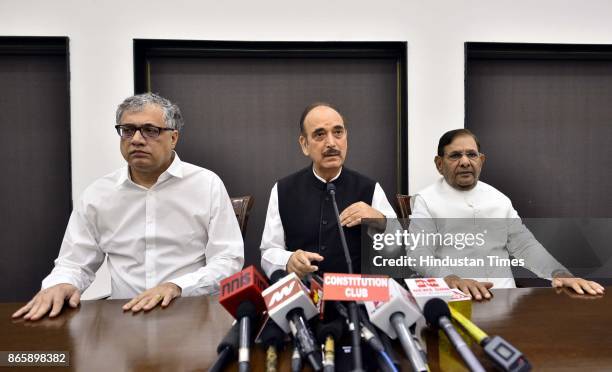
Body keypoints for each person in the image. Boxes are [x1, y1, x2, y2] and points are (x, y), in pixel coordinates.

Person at [13, 93, 244, 320]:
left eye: (150, 130)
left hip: (191, 312)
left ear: (173, 138)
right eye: (127, 130)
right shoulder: (98, 194)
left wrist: (176, 286)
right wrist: (60, 284)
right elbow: (75, 263)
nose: (136, 139)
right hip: (125, 316)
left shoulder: (206, 184)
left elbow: (228, 261)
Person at [408, 128, 604, 300]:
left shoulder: (499, 199)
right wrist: (452, 279)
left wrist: (560, 274)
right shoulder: (426, 200)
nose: (465, 162)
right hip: (455, 299)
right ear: (439, 164)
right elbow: (419, 255)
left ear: (481, 160)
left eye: (472, 154)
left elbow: (525, 246)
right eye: (455, 155)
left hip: (504, 300)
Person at [260, 102, 396, 278]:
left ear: (346, 137)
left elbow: (400, 248)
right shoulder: (283, 190)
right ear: (304, 144)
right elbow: (269, 251)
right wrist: (288, 260)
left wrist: (381, 221)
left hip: (355, 297)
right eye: (320, 134)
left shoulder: (369, 189)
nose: (331, 143)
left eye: (338, 132)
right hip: (304, 294)